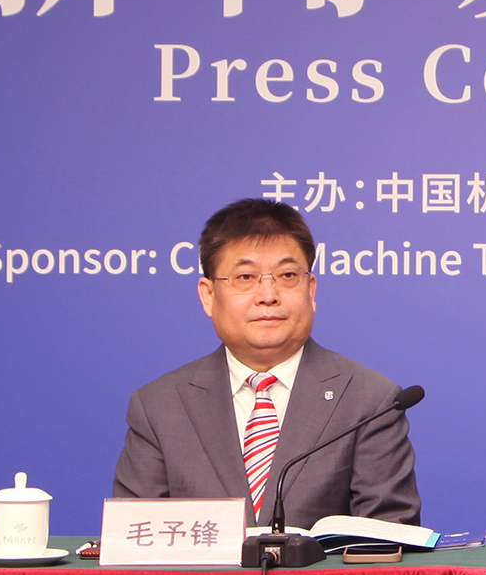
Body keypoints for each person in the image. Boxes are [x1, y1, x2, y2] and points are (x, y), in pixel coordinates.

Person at [113, 198, 420, 529]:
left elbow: (389, 541)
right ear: (208, 295)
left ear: (311, 290)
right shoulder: (159, 407)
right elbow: (134, 540)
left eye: (287, 275)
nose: (268, 295)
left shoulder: (370, 401)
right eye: (246, 277)